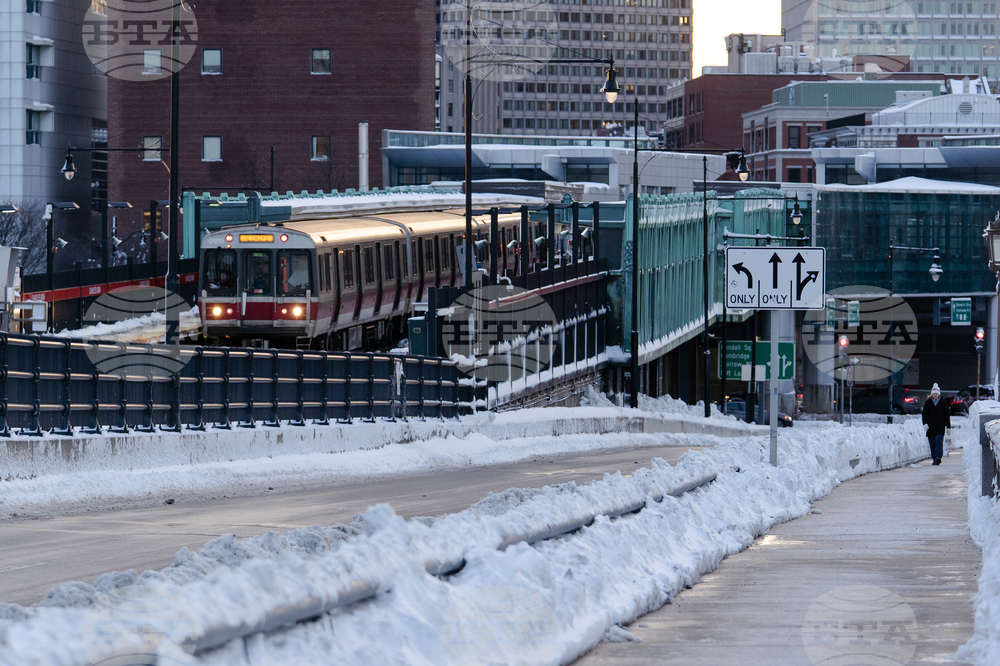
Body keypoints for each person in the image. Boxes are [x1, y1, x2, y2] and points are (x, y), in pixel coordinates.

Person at [921, 383, 951, 465]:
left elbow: (946, 415)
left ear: (939, 394)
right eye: (934, 394)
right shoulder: (928, 403)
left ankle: (938, 457)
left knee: (938, 442)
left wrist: (948, 426)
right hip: (930, 427)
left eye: (936, 394)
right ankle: (934, 457)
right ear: (932, 394)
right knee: (932, 443)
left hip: (940, 426)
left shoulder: (943, 402)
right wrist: (925, 423)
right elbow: (924, 414)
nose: (935, 395)